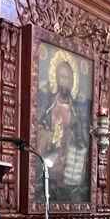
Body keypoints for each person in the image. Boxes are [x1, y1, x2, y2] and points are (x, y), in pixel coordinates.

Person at [38, 58, 89, 203]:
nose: (64, 82)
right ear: (56, 78)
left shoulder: (76, 109)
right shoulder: (49, 104)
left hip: (69, 158)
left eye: (67, 78)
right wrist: (48, 135)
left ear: (72, 81)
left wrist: (76, 138)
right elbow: (39, 125)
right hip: (51, 154)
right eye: (61, 77)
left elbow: (82, 136)